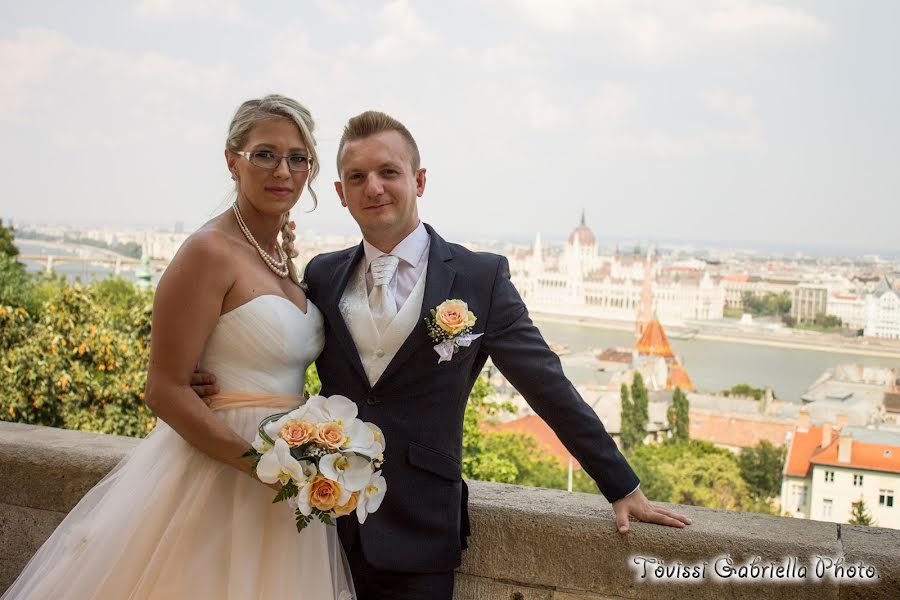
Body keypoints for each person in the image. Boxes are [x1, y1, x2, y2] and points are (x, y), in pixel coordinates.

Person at [197, 110, 691, 600]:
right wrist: (206, 375)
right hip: (320, 527)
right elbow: (276, 346)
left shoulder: (480, 278)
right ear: (340, 194)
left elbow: (548, 386)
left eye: (389, 172)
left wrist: (620, 485)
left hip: (421, 531)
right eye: (357, 177)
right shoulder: (323, 275)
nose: (374, 187)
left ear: (420, 180)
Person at [1, 95, 354, 600]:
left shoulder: (281, 258)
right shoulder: (209, 251)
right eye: (265, 154)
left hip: (287, 478)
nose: (283, 170)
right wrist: (261, 466)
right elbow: (164, 389)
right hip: (220, 473)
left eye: (298, 158)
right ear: (232, 160)